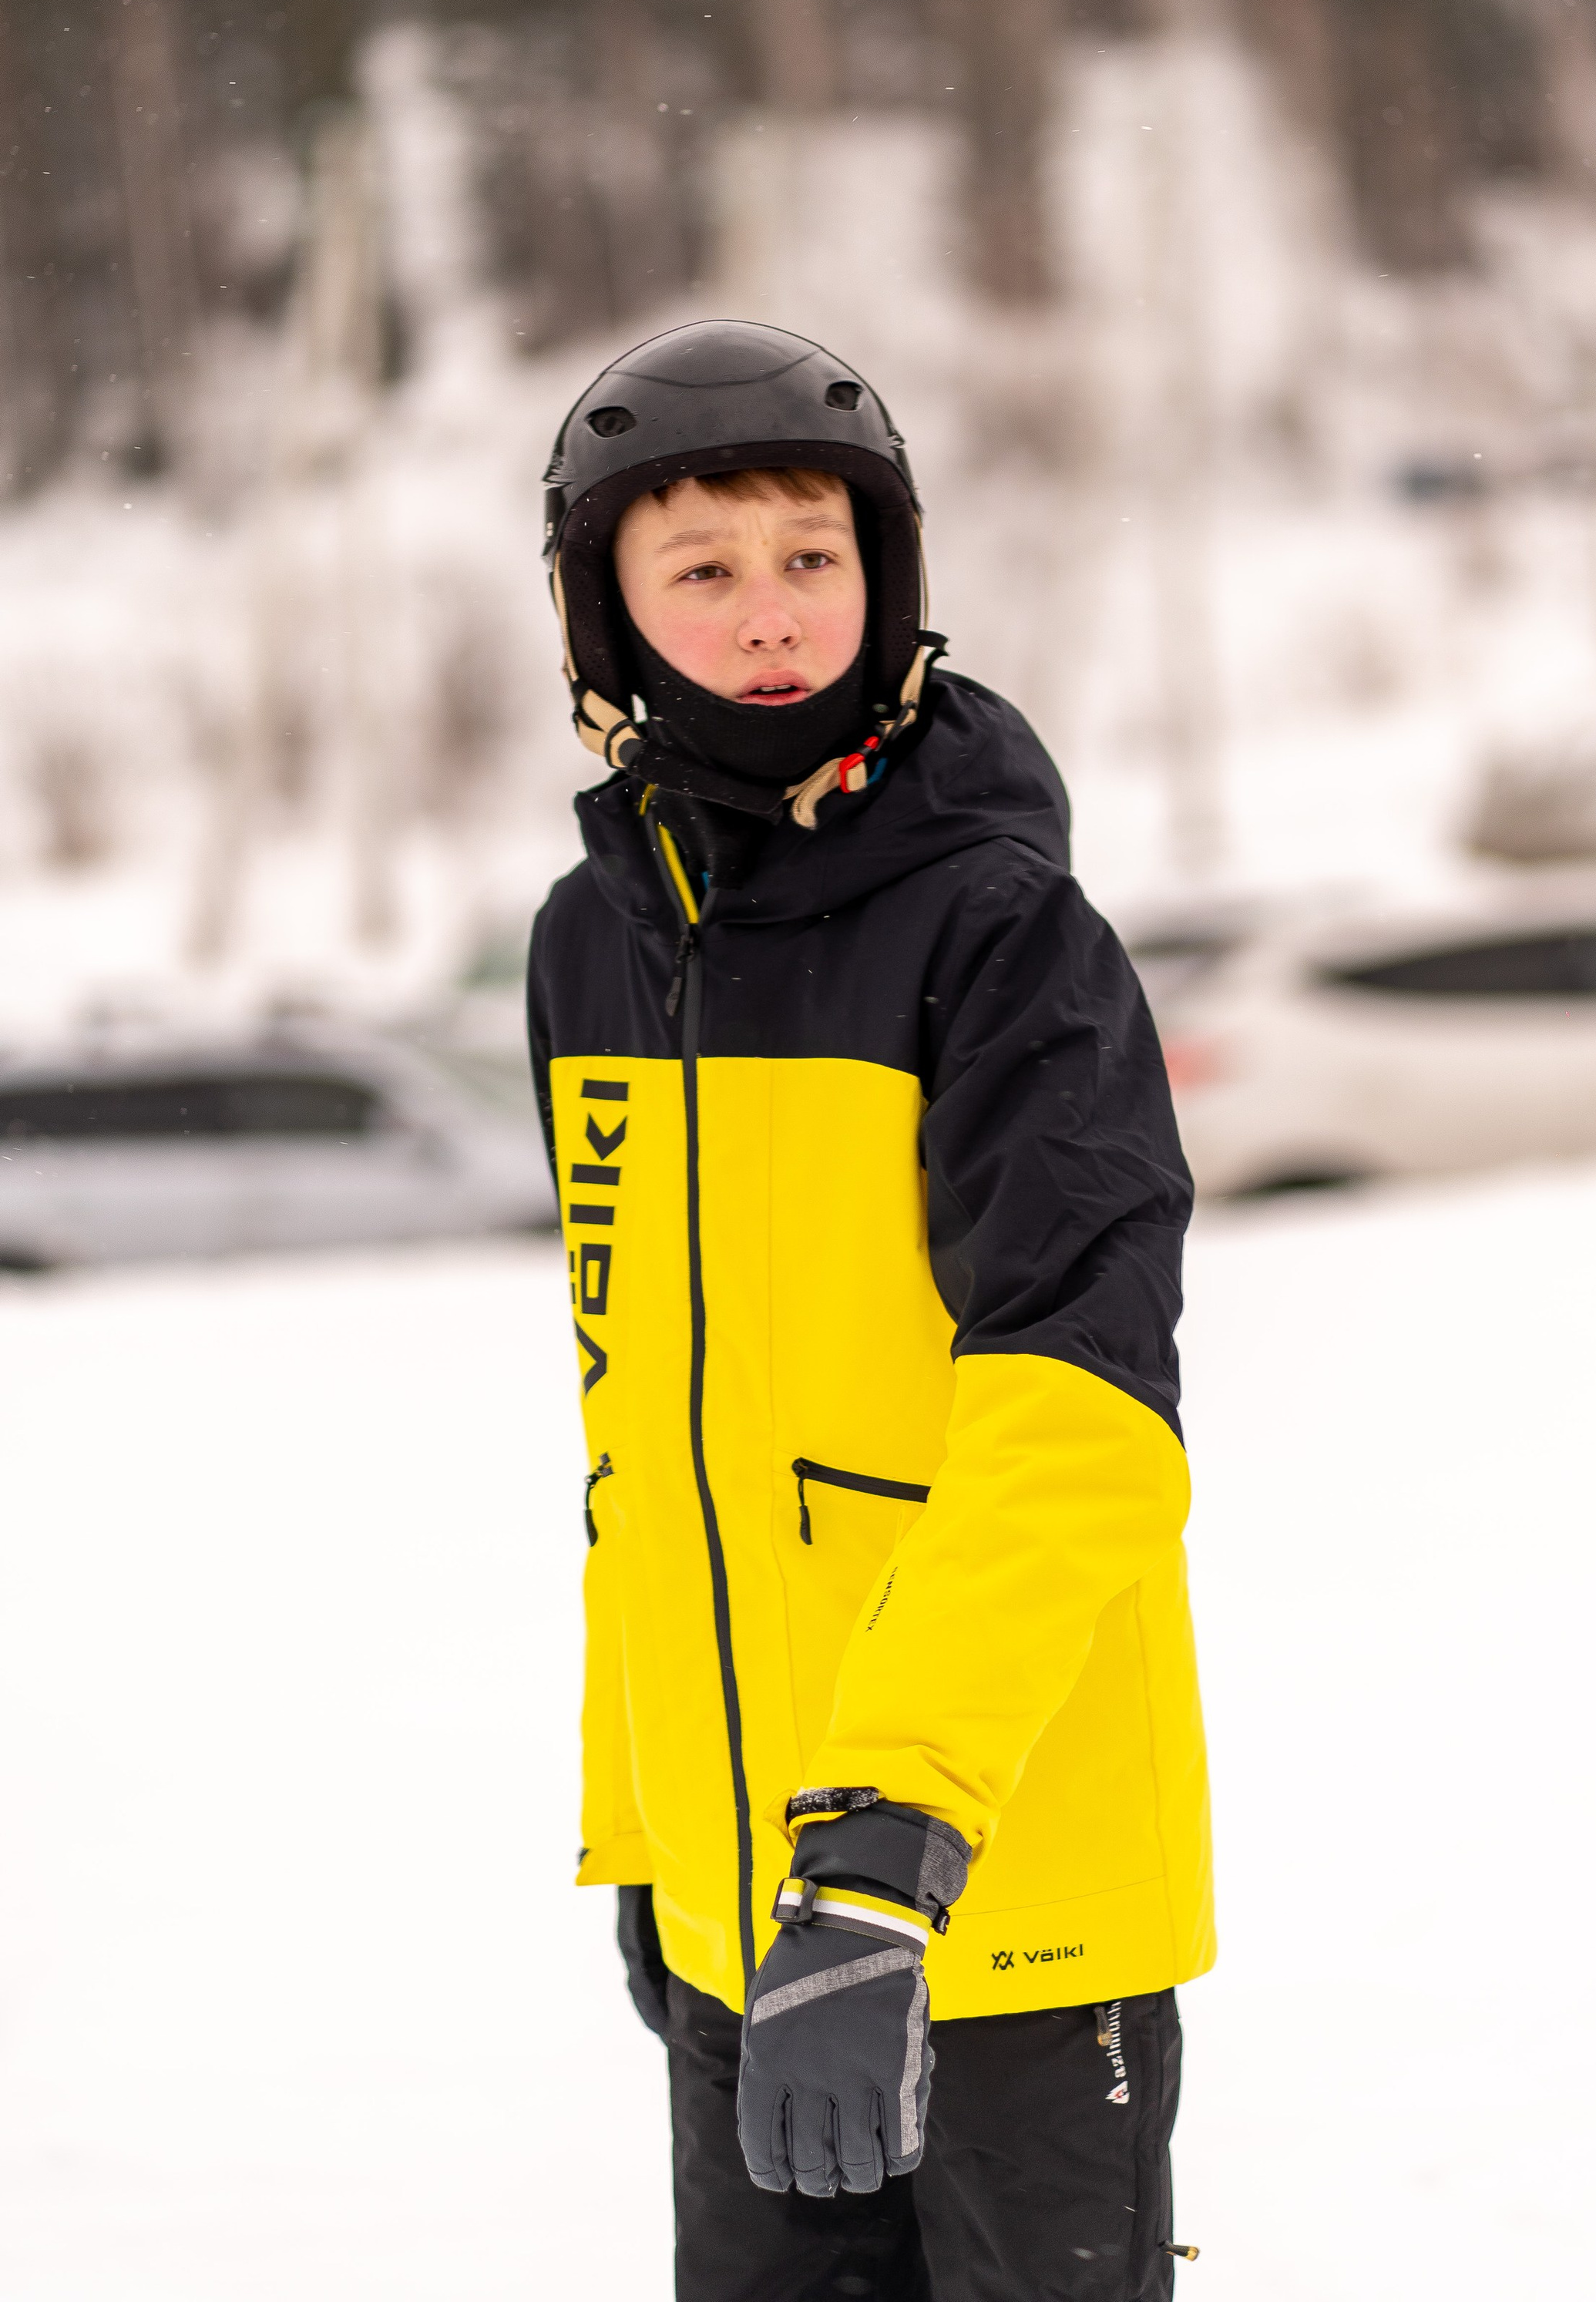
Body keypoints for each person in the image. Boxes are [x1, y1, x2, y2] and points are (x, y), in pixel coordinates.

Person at [527, 317, 1212, 2302]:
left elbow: (1080, 1426)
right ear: (608, 614)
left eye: (810, 556)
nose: (767, 615)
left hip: (993, 1877)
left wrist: (882, 1851)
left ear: (887, 575)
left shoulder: (1003, 933)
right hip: (745, 1897)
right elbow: (638, 1429)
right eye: (703, 567)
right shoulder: (600, 937)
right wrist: (655, 1830)